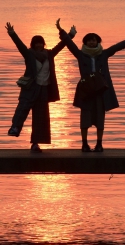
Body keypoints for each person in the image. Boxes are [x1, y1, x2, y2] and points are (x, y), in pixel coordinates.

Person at [55, 18, 125, 152]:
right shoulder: (81, 55)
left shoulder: (103, 54)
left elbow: (117, 47)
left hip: (100, 90)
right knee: (85, 117)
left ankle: (99, 144)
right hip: (86, 91)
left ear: (98, 42)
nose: (91, 42)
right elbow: (69, 44)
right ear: (85, 42)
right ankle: (84, 144)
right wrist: (61, 30)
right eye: (89, 40)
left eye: (94, 40)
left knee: (100, 118)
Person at [4, 22, 76, 152]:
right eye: (36, 43)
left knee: (40, 117)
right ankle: (15, 127)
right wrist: (12, 34)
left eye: (40, 43)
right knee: (22, 108)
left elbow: (62, 45)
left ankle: (35, 144)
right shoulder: (29, 54)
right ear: (32, 44)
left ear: (44, 44)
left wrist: (70, 34)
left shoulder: (49, 54)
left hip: (43, 89)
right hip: (30, 87)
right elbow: (19, 46)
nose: (38, 45)